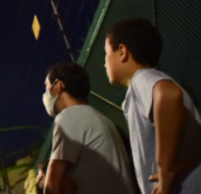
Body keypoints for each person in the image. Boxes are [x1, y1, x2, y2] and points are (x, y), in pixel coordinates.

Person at [104, 18, 201, 194]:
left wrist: (164, 168)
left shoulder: (142, 77)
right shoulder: (136, 92)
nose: (104, 62)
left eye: (106, 52)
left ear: (122, 51)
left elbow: (168, 95)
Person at [42, 62, 135, 194]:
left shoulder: (68, 117)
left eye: (47, 87)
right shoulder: (99, 117)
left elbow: (51, 188)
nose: (46, 94)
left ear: (58, 85)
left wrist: (55, 180)